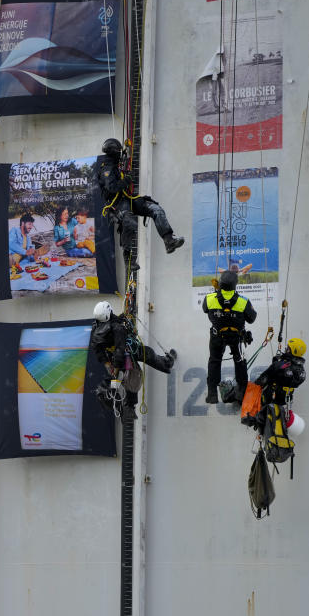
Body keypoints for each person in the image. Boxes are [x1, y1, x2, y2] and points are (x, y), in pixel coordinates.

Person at [95, 138, 184, 270]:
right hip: (116, 204)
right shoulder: (106, 168)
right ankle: (129, 261)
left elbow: (125, 161)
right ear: (113, 152)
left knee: (155, 209)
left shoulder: (116, 165)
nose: (120, 154)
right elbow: (112, 187)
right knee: (129, 221)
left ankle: (169, 241)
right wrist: (127, 180)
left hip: (127, 199)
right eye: (118, 151)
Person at [90, 301, 176, 416]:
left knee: (127, 378)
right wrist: (115, 367)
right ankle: (167, 363)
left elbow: (97, 349)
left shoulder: (95, 328)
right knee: (147, 356)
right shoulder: (117, 328)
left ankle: (128, 407)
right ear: (109, 312)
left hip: (111, 358)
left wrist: (107, 364)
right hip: (125, 355)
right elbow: (120, 349)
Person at [202, 270, 258, 403]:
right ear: (235, 285)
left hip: (217, 336)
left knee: (214, 361)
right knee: (239, 361)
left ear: (220, 283)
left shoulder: (209, 298)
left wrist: (217, 294)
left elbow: (205, 309)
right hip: (236, 337)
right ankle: (241, 391)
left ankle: (212, 394)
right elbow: (252, 318)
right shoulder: (243, 301)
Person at [254, 337, 306, 406]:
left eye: (288, 348)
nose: (286, 349)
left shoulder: (279, 365)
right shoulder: (301, 370)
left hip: (270, 397)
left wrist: (255, 384)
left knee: (254, 371)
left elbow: (264, 378)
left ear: (292, 351)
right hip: (285, 399)